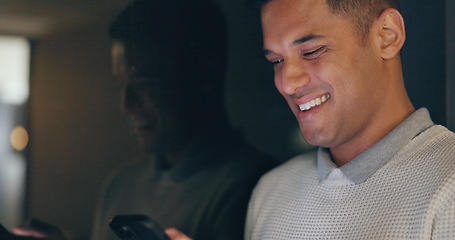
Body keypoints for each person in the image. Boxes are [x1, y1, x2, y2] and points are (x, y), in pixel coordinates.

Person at [165, 0, 455, 239]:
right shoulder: (271, 192)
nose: (287, 83)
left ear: (387, 35)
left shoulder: (448, 184)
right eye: (276, 61)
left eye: (312, 51)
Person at [8, 0, 276, 240]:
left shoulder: (257, 189)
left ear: (204, 74)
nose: (126, 106)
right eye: (121, 86)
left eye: (145, 84)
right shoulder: (121, 184)